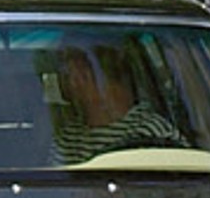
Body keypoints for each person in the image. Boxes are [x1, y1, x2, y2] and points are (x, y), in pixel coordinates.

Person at [51, 42, 182, 162]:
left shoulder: (152, 130)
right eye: (69, 75)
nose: (74, 83)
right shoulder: (69, 138)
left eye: (84, 75)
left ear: (111, 77)